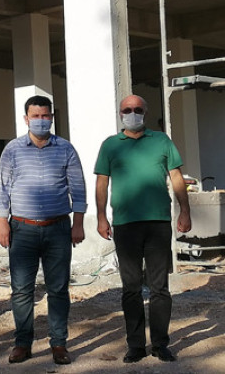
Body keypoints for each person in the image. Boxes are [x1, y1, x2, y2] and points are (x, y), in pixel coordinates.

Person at [95, 94, 192, 363]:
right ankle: (136, 345)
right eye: (127, 110)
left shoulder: (161, 141)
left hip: (158, 223)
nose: (132, 113)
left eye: (137, 109)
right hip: (125, 225)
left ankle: (160, 344)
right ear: (120, 114)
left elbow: (176, 177)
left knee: (159, 287)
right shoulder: (110, 145)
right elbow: (102, 182)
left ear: (145, 112)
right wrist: (101, 217)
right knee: (131, 288)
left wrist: (185, 210)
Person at [0, 95, 86, 365]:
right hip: (22, 229)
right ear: (26, 119)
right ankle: (23, 343)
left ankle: (59, 343)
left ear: (52, 118)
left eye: (45, 116)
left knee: (58, 289)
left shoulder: (66, 149)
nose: (41, 120)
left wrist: (78, 223)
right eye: (35, 116)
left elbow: (78, 187)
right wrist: (2, 222)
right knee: (22, 290)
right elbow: (2, 188)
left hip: (58, 228)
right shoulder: (12, 150)